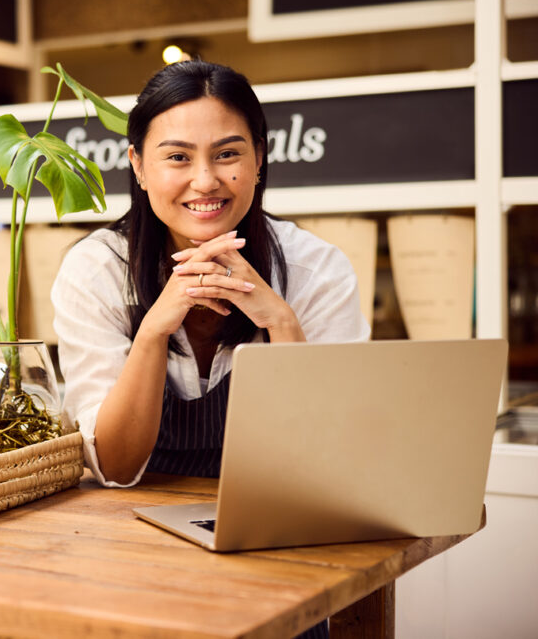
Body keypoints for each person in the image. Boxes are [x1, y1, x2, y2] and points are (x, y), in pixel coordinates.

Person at [52, 59, 370, 488]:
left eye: (226, 155)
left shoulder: (316, 271)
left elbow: (325, 458)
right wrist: (152, 332)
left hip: (274, 515)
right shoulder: (97, 271)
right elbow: (115, 466)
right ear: (139, 165)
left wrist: (280, 322)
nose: (204, 181)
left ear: (258, 158)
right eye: (178, 157)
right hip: (127, 530)